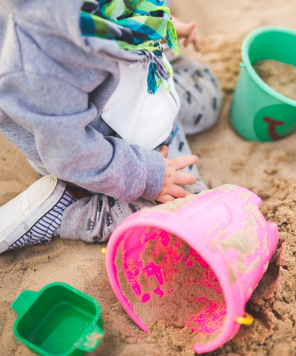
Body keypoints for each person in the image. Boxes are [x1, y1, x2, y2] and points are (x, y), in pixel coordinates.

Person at [0, 0, 222, 254]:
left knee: (210, 94)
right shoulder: (37, 61)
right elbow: (71, 154)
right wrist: (148, 176)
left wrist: (156, 25)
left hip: (143, 93)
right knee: (189, 211)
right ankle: (65, 210)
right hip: (110, 154)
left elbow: (125, 9)